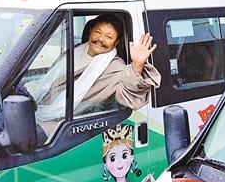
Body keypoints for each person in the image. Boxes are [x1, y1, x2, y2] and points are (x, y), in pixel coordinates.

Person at [26, 14, 161, 125]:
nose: (101, 39)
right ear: (90, 31)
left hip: (64, 122)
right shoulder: (74, 52)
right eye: (98, 32)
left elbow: (129, 96)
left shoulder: (115, 67)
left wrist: (137, 64)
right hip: (42, 109)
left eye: (108, 37)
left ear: (116, 42)